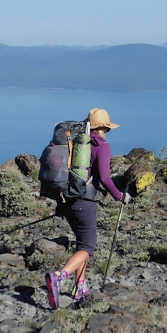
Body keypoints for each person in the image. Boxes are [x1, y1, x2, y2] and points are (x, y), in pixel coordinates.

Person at [46, 108, 131, 308]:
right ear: (102, 127)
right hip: (84, 202)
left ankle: (80, 286)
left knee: (81, 244)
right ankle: (59, 277)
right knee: (88, 246)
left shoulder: (73, 141)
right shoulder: (101, 145)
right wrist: (120, 196)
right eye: (107, 129)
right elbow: (104, 178)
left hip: (65, 200)